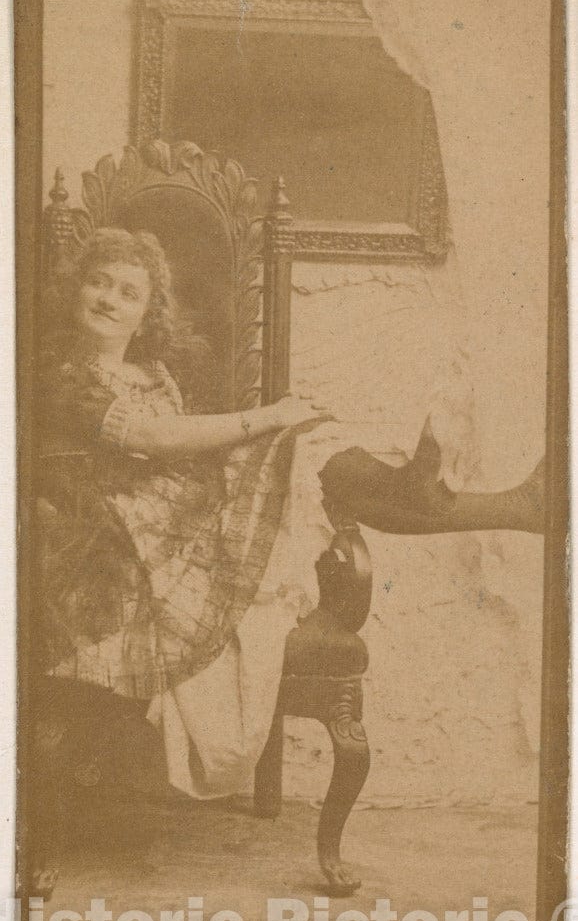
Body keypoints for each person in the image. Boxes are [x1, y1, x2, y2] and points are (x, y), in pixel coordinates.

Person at [38, 227, 544, 799]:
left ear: (147, 313)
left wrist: (276, 427)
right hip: (119, 529)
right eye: (98, 282)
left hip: (170, 505)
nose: (108, 298)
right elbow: (154, 437)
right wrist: (267, 419)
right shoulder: (62, 375)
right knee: (296, 446)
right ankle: (471, 498)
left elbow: (183, 452)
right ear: (74, 290)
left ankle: (455, 492)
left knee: (310, 450)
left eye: (128, 292)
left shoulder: (154, 373)